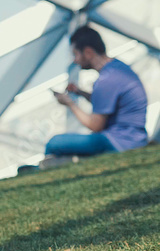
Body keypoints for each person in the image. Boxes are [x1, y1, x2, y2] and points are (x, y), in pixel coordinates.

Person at [47, 26, 148, 159]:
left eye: (76, 54)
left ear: (88, 52)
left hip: (118, 142)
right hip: (135, 139)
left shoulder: (106, 80)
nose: (75, 60)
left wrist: (70, 104)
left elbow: (95, 125)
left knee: (54, 143)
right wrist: (80, 92)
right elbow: (109, 103)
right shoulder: (117, 68)